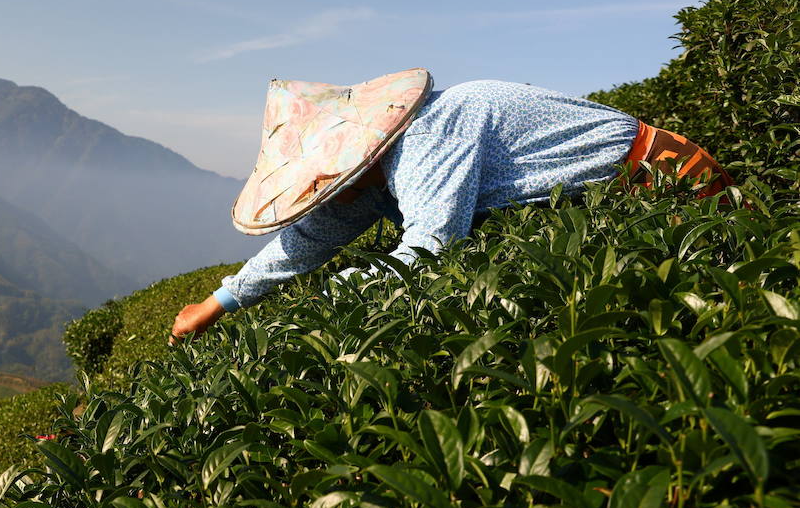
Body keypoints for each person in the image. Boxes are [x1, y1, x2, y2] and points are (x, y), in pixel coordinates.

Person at [170, 69, 732, 343]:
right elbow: (311, 239)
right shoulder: (374, 171)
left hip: (662, 184)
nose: (326, 197)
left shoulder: (432, 133)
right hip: (601, 206)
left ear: (357, 155)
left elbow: (430, 249)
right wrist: (218, 302)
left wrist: (314, 310)